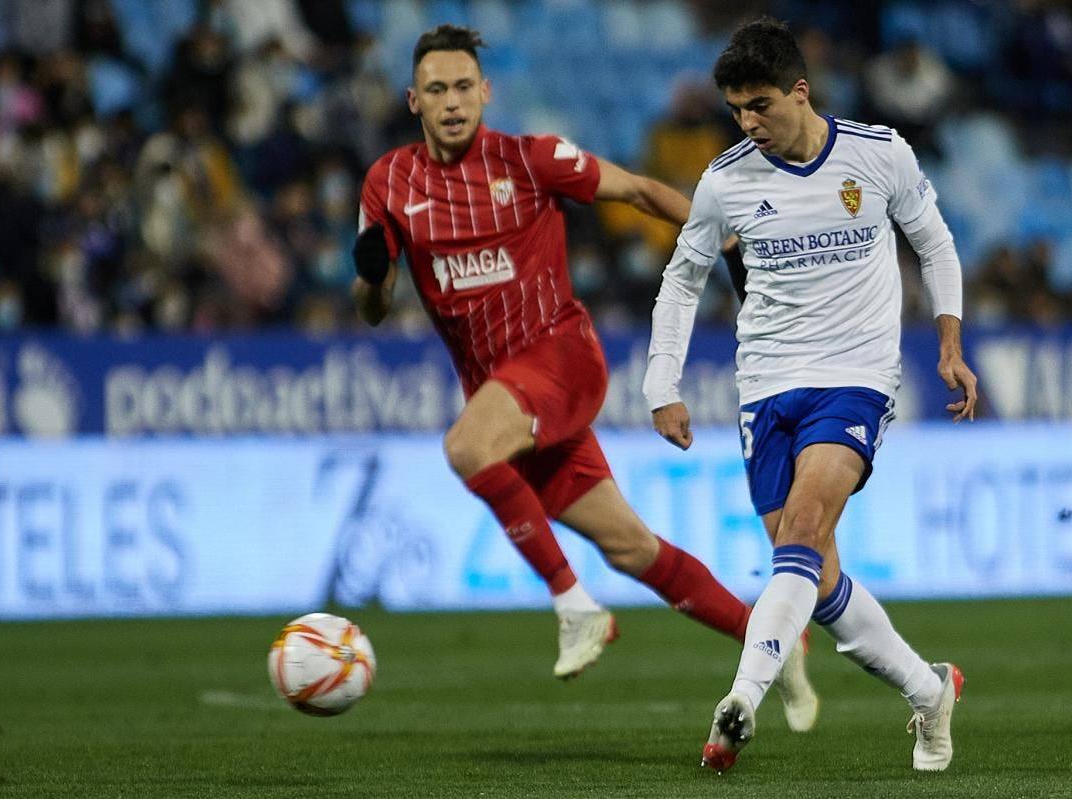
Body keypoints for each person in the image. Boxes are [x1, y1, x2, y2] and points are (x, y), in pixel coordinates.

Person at [349, 23, 819, 728]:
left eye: (463, 87)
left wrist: (724, 236)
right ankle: (775, 640)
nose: (453, 102)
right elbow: (375, 309)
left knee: (466, 448)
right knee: (632, 546)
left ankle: (575, 606)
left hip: (560, 358)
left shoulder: (531, 159)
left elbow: (636, 190)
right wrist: (374, 276)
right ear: (413, 100)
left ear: (486, 91)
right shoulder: (390, 182)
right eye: (437, 89)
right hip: (506, 396)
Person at [643, 18, 977, 773]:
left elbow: (937, 242)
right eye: (735, 110)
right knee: (813, 572)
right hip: (766, 386)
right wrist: (661, 380)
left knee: (802, 526)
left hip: (856, 377)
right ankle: (930, 690)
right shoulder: (726, 179)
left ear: (801, 90)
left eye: (759, 104)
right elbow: (683, 278)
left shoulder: (879, 153)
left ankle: (740, 701)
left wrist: (949, 341)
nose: (747, 122)